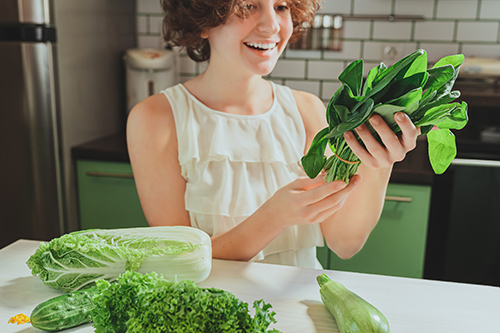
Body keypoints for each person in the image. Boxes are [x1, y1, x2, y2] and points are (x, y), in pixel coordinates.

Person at [126, 0, 419, 269]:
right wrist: (273, 218)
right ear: (203, 19)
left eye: (281, 6)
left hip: (298, 311)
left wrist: (379, 162)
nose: (272, 25)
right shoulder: (156, 119)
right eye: (248, 5)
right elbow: (179, 259)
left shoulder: (307, 111)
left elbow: (344, 244)